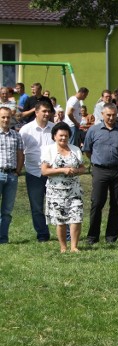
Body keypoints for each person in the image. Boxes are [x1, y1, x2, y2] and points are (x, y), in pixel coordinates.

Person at [82, 103, 118, 244]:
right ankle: (93, 237)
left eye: (113, 115)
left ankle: (111, 237)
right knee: (97, 203)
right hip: (100, 170)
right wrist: (98, 160)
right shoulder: (93, 130)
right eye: (108, 115)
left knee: (117, 204)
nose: (111, 118)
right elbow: (88, 150)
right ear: (102, 114)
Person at [40, 122, 85, 253]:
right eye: (60, 135)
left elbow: (82, 168)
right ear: (54, 136)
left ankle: (74, 246)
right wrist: (63, 170)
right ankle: (63, 247)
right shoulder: (48, 150)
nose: (63, 138)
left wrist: (75, 171)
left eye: (66, 135)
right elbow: (44, 171)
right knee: (60, 220)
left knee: (76, 217)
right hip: (55, 191)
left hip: (74, 190)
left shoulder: (75, 149)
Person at [19, 101, 55, 242]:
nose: (47, 114)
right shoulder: (26, 130)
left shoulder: (54, 129)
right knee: (37, 207)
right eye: (44, 111)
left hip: (52, 173)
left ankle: (64, 233)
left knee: (56, 205)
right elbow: (20, 151)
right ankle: (42, 234)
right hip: (34, 173)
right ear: (36, 112)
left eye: (49, 111)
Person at [0, 106, 24, 244]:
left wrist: (17, 171)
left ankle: (3, 238)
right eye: (3, 117)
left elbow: (20, 155)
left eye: (8, 117)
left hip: (11, 176)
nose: (5, 120)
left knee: (7, 211)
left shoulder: (16, 135)